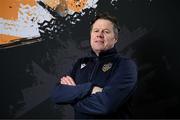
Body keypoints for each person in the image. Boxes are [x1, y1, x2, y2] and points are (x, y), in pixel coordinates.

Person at [51, 12, 137, 119]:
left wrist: (73, 97)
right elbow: (56, 94)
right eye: (96, 31)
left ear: (115, 39)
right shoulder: (79, 64)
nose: (99, 35)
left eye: (106, 32)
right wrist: (90, 88)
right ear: (91, 36)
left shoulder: (125, 65)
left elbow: (106, 105)